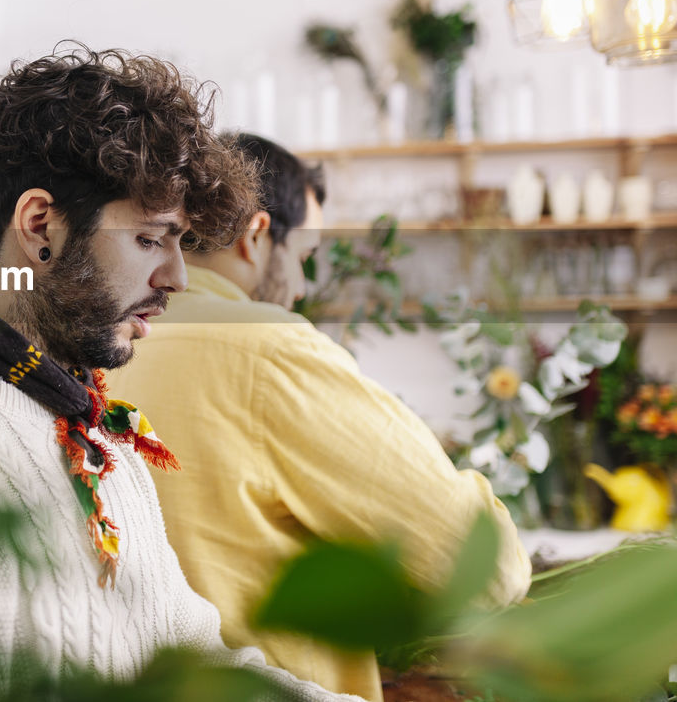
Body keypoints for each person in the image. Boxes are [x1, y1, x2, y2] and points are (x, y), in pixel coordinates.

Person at [0, 50, 358, 701]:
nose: (177, 278)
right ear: (40, 227)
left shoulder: (87, 425)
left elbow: (192, 665)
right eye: (149, 239)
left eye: (180, 242)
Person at [106, 133, 531, 702]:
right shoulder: (267, 350)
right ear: (257, 235)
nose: (304, 285)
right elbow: (485, 570)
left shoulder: (99, 341)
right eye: (305, 256)